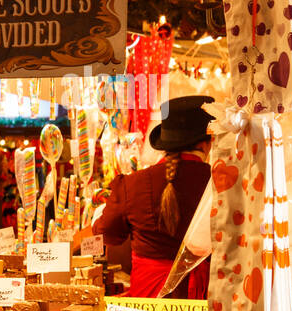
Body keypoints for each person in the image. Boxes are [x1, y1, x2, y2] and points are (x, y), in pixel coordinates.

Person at [91, 95, 213, 298]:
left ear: (164, 143)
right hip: (205, 300)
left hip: (148, 302)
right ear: (206, 143)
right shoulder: (221, 182)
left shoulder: (132, 184)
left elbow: (108, 234)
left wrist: (98, 216)